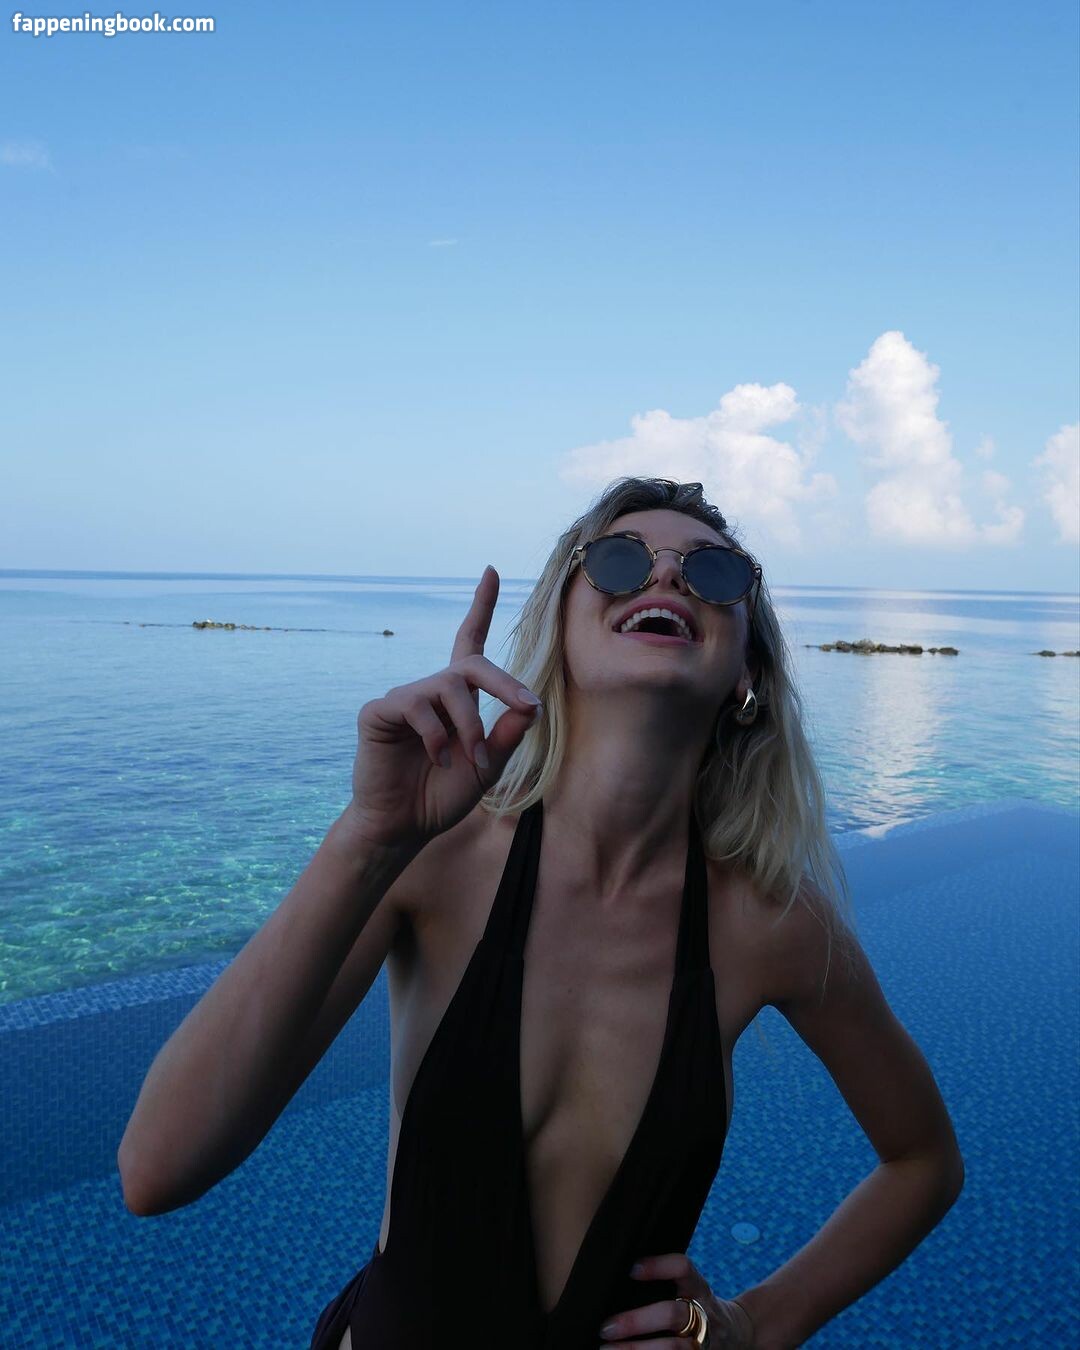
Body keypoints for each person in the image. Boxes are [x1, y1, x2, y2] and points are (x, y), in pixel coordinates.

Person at [118, 477, 965, 1350]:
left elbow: (924, 1162)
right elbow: (155, 1171)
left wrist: (751, 1326)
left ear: (747, 669)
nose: (664, 577)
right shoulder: (433, 858)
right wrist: (367, 840)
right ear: (560, 627)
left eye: (713, 573)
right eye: (620, 560)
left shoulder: (770, 923)